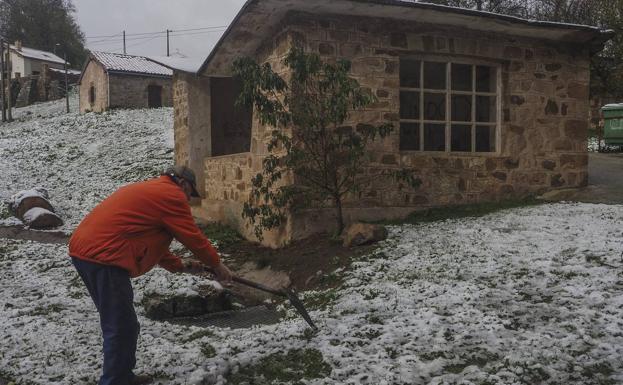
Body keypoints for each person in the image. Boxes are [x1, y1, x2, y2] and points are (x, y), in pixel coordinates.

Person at [68, 165, 232, 385]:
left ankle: (121, 376)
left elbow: (150, 240)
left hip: (88, 252)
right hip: (104, 257)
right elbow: (193, 237)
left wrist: (180, 265)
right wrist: (217, 265)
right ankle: (115, 381)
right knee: (120, 325)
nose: (188, 200)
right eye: (190, 194)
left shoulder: (154, 191)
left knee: (122, 323)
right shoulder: (171, 196)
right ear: (183, 184)